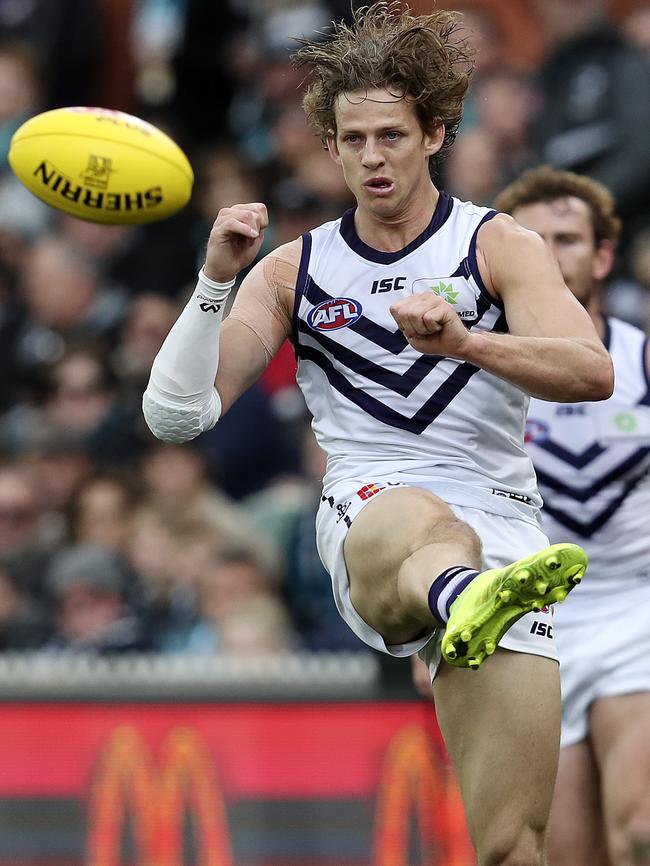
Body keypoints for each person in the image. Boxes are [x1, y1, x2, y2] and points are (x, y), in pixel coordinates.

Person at [142, 5, 613, 863]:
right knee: (419, 518)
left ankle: (469, 595)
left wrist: (468, 342)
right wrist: (215, 280)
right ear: (329, 146)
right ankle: (456, 593)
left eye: (391, 135)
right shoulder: (295, 269)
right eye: (352, 139)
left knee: (514, 845)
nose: (371, 158)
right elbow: (177, 415)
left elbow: (592, 371)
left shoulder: (496, 244)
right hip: (370, 509)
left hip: (508, 526)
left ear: (434, 133)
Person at [493, 166, 650, 866]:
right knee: (564, 855)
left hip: (635, 610)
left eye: (569, 238)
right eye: (534, 241)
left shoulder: (644, 361)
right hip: (532, 623)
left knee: (641, 831)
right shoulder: (477, 372)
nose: (552, 256)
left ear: (603, 257)